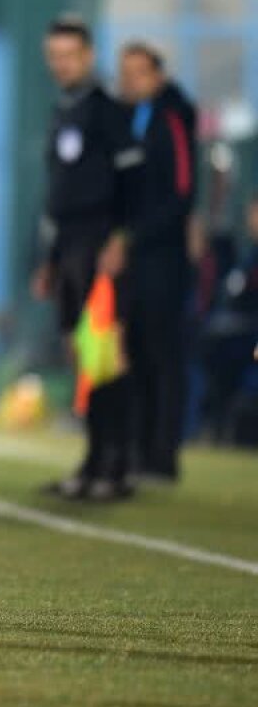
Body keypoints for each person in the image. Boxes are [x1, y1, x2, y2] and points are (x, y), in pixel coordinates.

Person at [32, 16, 135, 501]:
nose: (61, 64)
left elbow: (133, 186)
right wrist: (50, 259)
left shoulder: (108, 111)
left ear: (89, 56)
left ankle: (115, 466)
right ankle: (93, 462)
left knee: (105, 357)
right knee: (81, 354)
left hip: (100, 242)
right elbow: (59, 191)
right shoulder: (62, 109)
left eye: (69, 55)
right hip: (70, 245)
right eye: (54, 56)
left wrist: (121, 237)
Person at [116, 41, 198, 481]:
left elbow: (182, 193)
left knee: (165, 357)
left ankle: (164, 456)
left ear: (158, 76)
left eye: (139, 72)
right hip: (137, 258)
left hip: (164, 259)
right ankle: (140, 450)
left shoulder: (172, 118)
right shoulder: (132, 120)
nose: (129, 81)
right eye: (124, 72)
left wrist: (134, 236)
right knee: (139, 353)